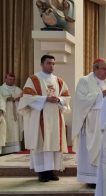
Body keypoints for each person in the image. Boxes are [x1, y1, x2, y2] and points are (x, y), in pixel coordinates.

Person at [18, 54, 70, 182]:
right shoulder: (33, 79)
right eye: (48, 63)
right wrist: (45, 98)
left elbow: (66, 97)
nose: (51, 66)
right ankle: (42, 172)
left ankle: (51, 171)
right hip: (39, 118)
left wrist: (59, 99)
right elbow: (27, 97)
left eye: (53, 63)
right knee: (41, 143)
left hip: (55, 118)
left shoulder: (59, 81)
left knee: (53, 143)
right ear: (42, 64)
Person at [72, 58, 106, 187]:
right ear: (95, 69)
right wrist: (100, 95)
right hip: (90, 122)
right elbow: (80, 100)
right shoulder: (84, 81)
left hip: (105, 122)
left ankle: (103, 178)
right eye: (104, 68)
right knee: (90, 150)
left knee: (104, 150)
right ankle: (91, 179)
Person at [0, 73, 23, 154]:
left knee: (15, 131)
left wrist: (20, 99)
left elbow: (23, 100)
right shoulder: (1, 89)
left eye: (13, 79)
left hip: (16, 115)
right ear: (5, 79)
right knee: (5, 131)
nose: (11, 81)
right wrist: (7, 98)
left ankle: (16, 149)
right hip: (5, 114)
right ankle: (5, 151)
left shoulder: (18, 90)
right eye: (9, 79)